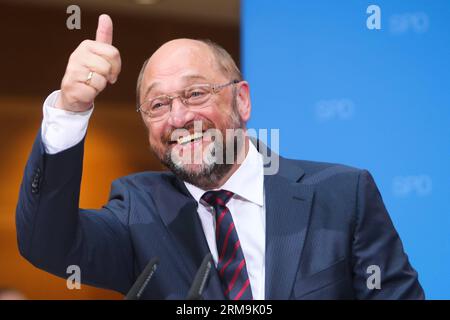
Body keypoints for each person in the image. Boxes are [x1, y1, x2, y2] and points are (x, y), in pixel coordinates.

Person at [16, 14, 424, 300]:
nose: (179, 117)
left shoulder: (342, 195)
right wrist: (69, 109)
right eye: (157, 105)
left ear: (242, 100)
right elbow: (45, 243)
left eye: (195, 94)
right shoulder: (138, 211)